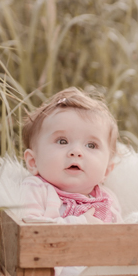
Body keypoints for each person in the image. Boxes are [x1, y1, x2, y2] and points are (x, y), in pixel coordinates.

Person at [19, 87, 122, 225]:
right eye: (62, 141)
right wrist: (80, 222)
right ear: (33, 162)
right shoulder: (36, 189)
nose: (76, 151)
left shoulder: (108, 199)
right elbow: (29, 228)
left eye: (91, 145)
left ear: (107, 170)